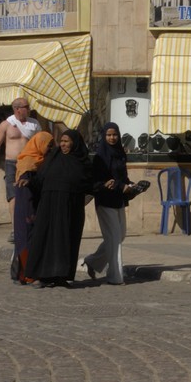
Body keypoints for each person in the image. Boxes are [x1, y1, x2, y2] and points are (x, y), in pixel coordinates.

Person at [22, 129, 97, 288]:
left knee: (66, 239)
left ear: (74, 143)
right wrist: (29, 181)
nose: (62, 144)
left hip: (71, 207)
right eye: (61, 141)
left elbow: (89, 184)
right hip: (49, 206)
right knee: (45, 238)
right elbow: (41, 178)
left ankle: (61, 276)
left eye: (66, 141)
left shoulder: (82, 161)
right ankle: (42, 276)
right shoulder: (53, 157)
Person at [84, 122, 148, 286]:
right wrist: (121, 186)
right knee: (114, 238)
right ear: (104, 136)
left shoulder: (120, 153)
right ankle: (115, 276)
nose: (112, 138)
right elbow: (100, 179)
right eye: (109, 135)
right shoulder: (99, 157)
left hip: (118, 200)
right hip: (105, 200)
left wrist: (132, 185)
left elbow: (122, 177)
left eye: (115, 135)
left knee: (120, 236)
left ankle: (92, 262)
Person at [9, 130, 53, 284]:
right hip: (28, 207)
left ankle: (21, 274)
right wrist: (31, 212)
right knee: (28, 239)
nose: (50, 148)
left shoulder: (37, 160)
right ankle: (27, 275)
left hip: (27, 208)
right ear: (39, 144)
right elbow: (26, 189)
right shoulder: (30, 163)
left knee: (25, 239)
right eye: (49, 145)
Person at [0, 98, 40, 208]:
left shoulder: (34, 124)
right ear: (17, 109)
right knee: (13, 196)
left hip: (28, 164)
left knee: (28, 195)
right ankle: (15, 225)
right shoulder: (6, 124)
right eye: (26, 107)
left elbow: (41, 144)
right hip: (11, 164)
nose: (29, 109)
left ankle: (26, 223)